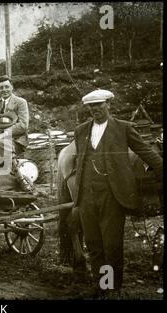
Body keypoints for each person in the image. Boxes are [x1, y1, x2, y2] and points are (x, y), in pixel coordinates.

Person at [73, 89, 163, 297]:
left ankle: (112, 287)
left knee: (111, 244)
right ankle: (102, 285)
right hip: (86, 195)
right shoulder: (81, 130)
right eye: (91, 106)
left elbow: (146, 151)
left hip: (112, 195)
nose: (96, 109)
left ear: (109, 105)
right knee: (94, 244)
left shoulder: (124, 128)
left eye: (100, 105)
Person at [0, 75, 31, 190]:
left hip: (15, 141)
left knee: (3, 144)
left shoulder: (20, 102)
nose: (4, 90)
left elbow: (23, 125)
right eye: (1, 87)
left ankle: (20, 179)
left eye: (7, 87)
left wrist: (3, 135)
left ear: (12, 87)